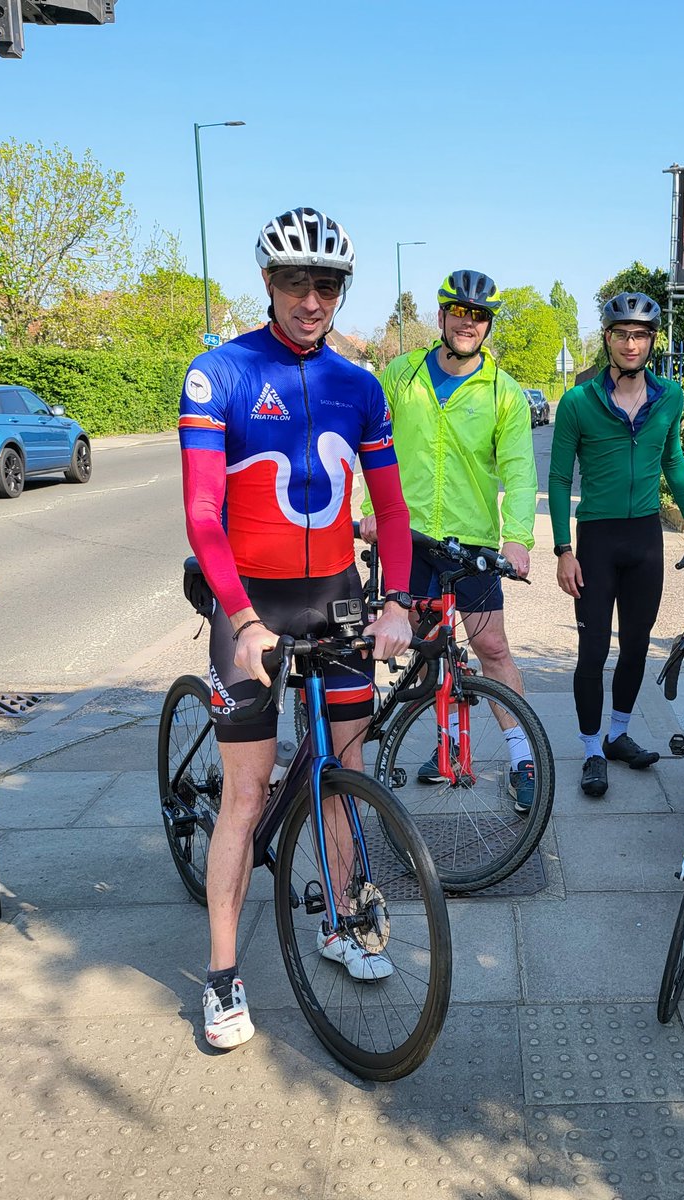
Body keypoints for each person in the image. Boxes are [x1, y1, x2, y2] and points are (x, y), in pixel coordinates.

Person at [179, 207, 415, 1050]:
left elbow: (389, 507)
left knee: (343, 771)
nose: (311, 299)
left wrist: (396, 601)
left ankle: (343, 922)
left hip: (336, 598)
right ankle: (221, 975)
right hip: (251, 606)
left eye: (326, 284)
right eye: (293, 282)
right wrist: (238, 617)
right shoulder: (221, 375)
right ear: (268, 284)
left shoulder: (361, 385)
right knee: (244, 797)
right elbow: (204, 516)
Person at [358, 269, 539, 813]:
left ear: (487, 326)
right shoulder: (400, 375)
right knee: (402, 641)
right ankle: (389, 748)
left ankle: (521, 756)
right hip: (406, 539)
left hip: (473, 545)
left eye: (479, 315)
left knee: (492, 648)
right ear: (441, 317)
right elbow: (369, 444)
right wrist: (368, 511)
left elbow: (520, 469)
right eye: (459, 312)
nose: (468, 322)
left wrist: (520, 539)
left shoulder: (503, 392)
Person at [549, 292, 684, 798]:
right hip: (596, 540)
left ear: (651, 341)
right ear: (607, 338)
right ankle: (591, 749)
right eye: (621, 333)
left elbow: (673, 461)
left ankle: (618, 734)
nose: (630, 343)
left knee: (637, 645)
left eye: (640, 334)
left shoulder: (669, 397)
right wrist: (562, 549)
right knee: (593, 648)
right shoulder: (578, 402)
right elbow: (558, 479)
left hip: (645, 537)